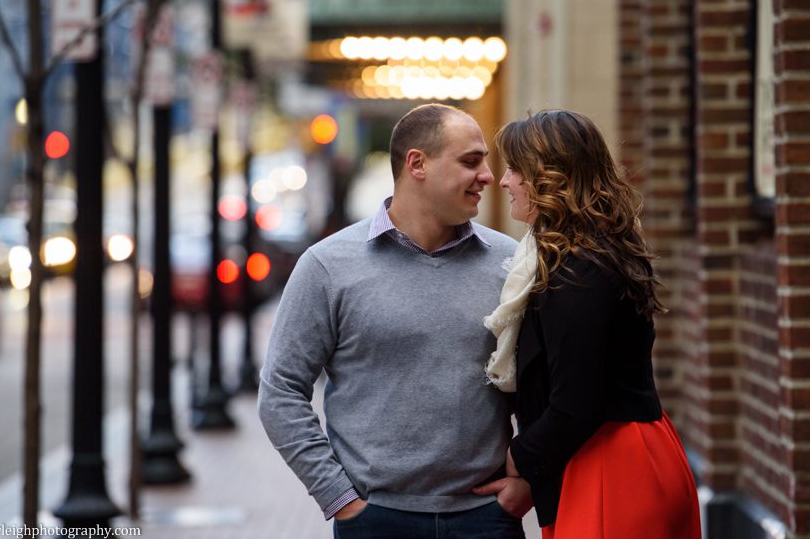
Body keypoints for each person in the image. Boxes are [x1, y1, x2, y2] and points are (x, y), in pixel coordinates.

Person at [258, 103, 525, 539]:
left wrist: (528, 477)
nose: (488, 177)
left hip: (486, 519)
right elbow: (280, 391)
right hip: (375, 520)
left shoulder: (510, 263)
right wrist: (340, 500)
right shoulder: (327, 266)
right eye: (470, 161)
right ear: (416, 163)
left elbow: (541, 382)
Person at [472, 109, 702, 538]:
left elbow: (576, 402)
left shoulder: (580, 269)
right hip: (613, 452)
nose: (503, 181)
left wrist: (517, 459)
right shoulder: (580, 254)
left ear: (548, 177)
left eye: (515, 170)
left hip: (611, 464)